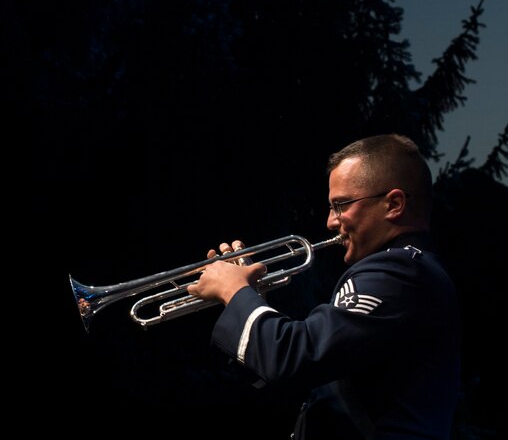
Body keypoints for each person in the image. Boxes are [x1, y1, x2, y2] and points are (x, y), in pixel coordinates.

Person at [188, 134, 460, 439]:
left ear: (394, 204)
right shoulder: (410, 271)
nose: (331, 221)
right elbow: (304, 377)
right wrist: (249, 299)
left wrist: (235, 293)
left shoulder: (399, 272)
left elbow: (294, 358)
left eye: (341, 205)